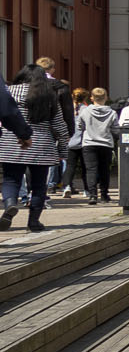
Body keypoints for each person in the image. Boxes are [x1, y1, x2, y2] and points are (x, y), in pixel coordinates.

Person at [2, 64, 71, 231]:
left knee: (11, 179)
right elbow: (60, 127)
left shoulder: (9, 91)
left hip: (11, 143)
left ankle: (10, 204)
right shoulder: (48, 96)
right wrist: (62, 151)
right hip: (42, 147)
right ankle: (34, 221)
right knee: (39, 185)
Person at [79, 87, 118, 204]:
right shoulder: (112, 113)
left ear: (92, 98)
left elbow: (80, 126)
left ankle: (92, 195)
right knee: (104, 170)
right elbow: (115, 129)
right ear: (106, 98)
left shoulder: (85, 111)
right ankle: (104, 194)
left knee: (91, 170)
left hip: (89, 143)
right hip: (105, 143)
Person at [60, 87, 89, 197]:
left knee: (70, 166)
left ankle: (67, 186)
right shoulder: (86, 109)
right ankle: (87, 189)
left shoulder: (66, 109)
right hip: (84, 141)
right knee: (85, 167)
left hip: (70, 140)